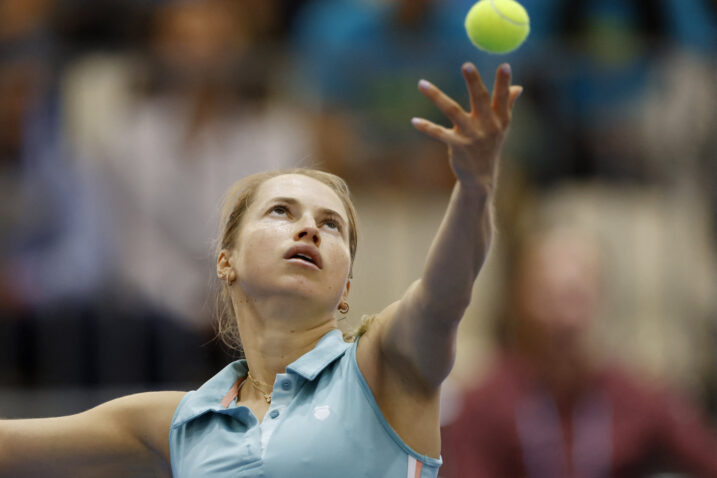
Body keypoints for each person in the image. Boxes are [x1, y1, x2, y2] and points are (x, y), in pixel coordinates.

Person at [0, 62, 522, 477]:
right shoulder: (179, 424)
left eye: (331, 225)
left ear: (346, 288)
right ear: (226, 261)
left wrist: (475, 189)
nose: (310, 229)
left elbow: (443, 296)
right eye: (281, 212)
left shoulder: (385, 367)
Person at [440, 226, 717, 478]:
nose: (565, 318)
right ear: (518, 302)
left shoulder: (637, 397)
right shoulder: (481, 405)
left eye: (577, 296)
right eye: (549, 296)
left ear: (601, 300)